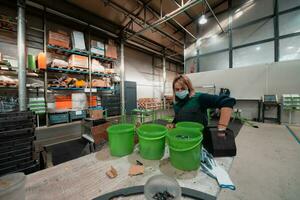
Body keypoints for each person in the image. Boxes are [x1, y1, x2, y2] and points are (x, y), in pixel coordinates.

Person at [167, 75, 236, 132]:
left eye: (183, 88)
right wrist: (173, 124)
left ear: (188, 88)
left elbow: (227, 101)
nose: (180, 91)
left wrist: (222, 127)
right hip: (182, 136)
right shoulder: (176, 103)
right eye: (177, 89)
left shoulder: (199, 98)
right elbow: (178, 117)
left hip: (199, 138)